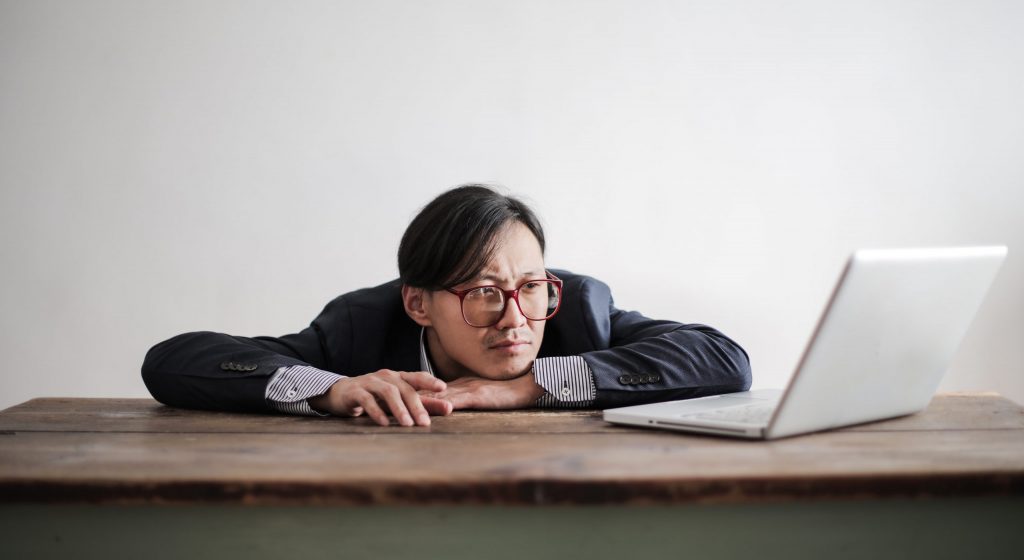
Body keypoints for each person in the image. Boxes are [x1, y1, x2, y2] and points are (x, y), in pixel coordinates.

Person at [142, 184, 751, 427]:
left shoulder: (579, 309)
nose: (516, 318)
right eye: (483, 292)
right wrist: (331, 389)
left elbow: (724, 359)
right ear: (418, 303)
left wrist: (530, 386)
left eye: (531, 286)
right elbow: (171, 362)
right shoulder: (361, 327)